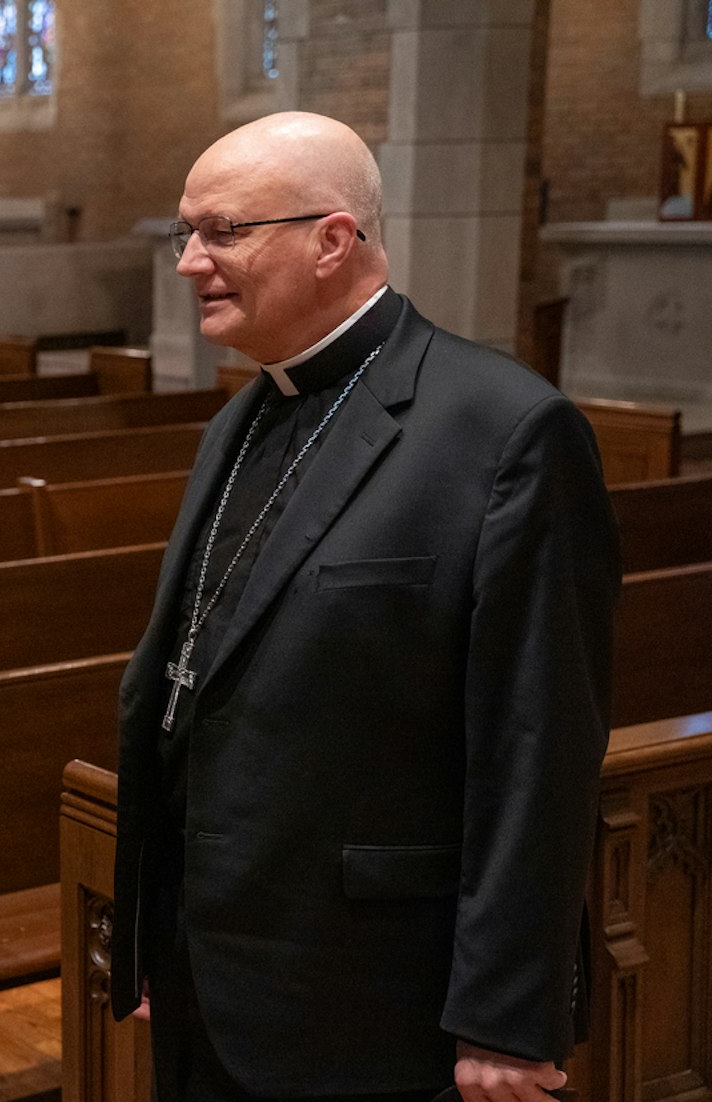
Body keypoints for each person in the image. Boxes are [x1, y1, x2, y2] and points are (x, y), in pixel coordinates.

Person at [111, 113, 619, 1102]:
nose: (189, 261)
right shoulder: (240, 416)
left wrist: (506, 1019)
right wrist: (149, 932)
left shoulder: (503, 431)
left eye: (222, 232)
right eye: (187, 233)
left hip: (378, 1003)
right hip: (209, 976)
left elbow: (537, 744)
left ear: (331, 239)